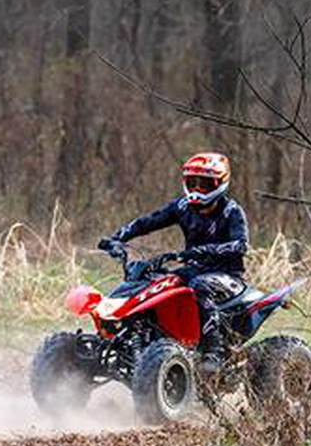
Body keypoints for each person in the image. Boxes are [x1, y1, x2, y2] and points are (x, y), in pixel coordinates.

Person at [100, 152, 249, 373]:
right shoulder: (182, 207)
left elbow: (240, 245)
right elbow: (147, 222)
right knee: (154, 282)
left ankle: (213, 351)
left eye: (205, 184)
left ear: (220, 183)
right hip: (194, 269)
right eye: (193, 183)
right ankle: (134, 339)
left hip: (227, 275)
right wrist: (117, 238)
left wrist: (199, 251)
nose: (198, 189)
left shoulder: (231, 211)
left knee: (199, 288)